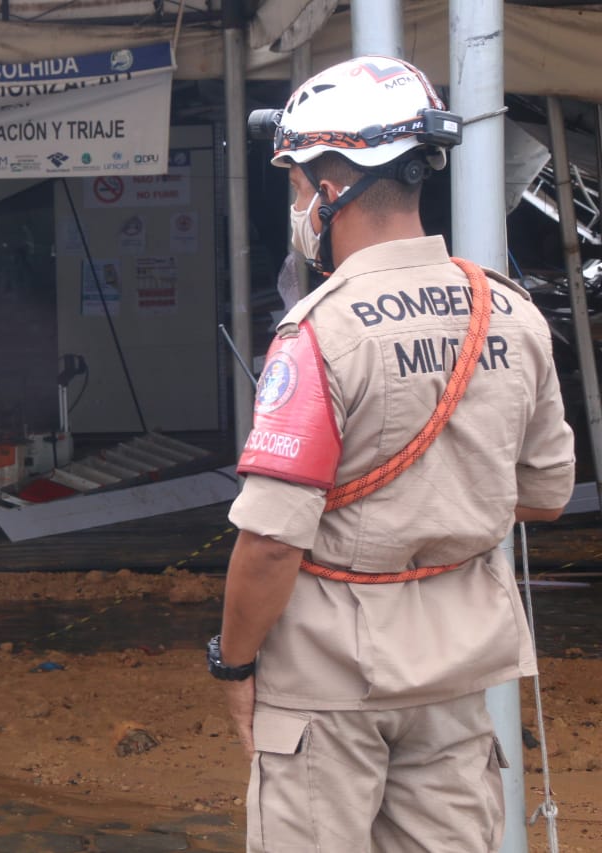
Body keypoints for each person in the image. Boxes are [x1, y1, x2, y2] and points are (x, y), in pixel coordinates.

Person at [209, 56, 576, 852]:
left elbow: (271, 542)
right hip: (456, 672)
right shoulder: (508, 312)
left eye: (299, 181)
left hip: (327, 685)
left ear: (331, 184)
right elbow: (547, 493)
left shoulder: (319, 332)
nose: (299, 201)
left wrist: (235, 665)